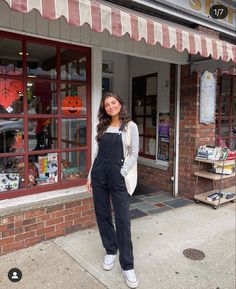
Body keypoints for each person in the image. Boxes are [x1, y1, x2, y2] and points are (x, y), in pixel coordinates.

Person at [86, 92, 139, 288]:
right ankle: (110, 251)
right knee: (103, 215)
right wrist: (90, 175)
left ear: (120, 104)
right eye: (107, 104)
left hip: (118, 178)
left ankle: (128, 265)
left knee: (123, 221)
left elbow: (134, 153)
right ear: (104, 108)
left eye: (113, 103)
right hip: (99, 175)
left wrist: (122, 172)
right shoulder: (102, 127)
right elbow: (97, 153)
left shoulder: (130, 126)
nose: (110, 106)